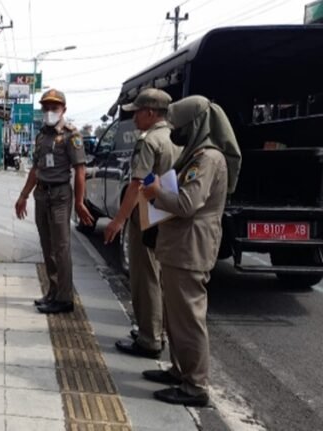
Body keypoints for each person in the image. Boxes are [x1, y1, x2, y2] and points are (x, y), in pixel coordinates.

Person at [140, 95, 241, 406]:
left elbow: (187, 203)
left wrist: (156, 192)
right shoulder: (195, 154)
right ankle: (179, 371)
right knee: (176, 317)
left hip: (191, 249)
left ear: (195, 125)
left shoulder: (207, 159)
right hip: (179, 247)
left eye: (179, 126)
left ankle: (195, 386)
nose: (175, 132)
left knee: (189, 319)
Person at [104, 88, 179, 359]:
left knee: (144, 276)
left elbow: (136, 185)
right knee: (160, 276)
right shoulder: (177, 137)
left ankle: (149, 339)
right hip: (169, 214)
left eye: (136, 112)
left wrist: (118, 221)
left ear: (149, 113)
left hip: (147, 216)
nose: (133, 118)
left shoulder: (148, 141)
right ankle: (156, 330)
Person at [15, 89, 94, 314]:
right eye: (46, 108)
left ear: (63, 110)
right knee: (47, 245)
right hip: (42, 194)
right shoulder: (41, 136)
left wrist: (79, 203)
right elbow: (36, 169)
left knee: (61, 247)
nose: (49, 112)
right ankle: (53, 291)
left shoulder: (72, 135)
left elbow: (80, 170)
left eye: (54, 108)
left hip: (60, 196)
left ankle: (65, 298)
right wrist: (23, 195)